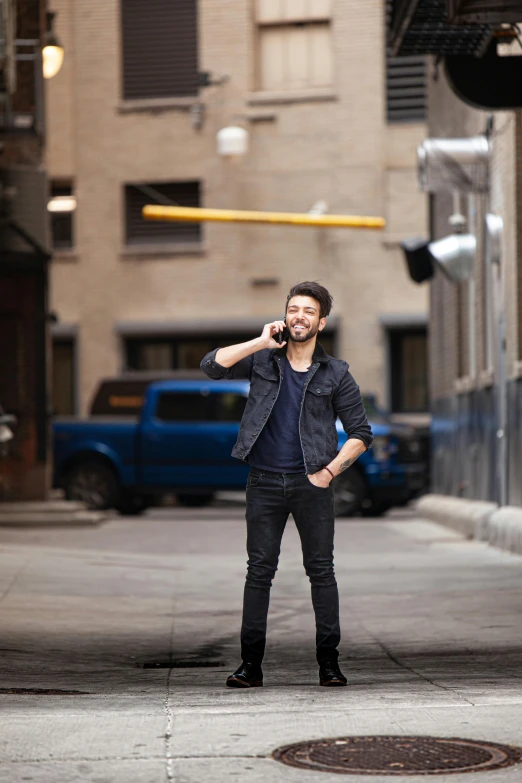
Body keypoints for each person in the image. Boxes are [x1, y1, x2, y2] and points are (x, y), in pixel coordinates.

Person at [201, 281, 373, 687]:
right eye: (294, 309)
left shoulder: (337, 373)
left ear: (321, 322)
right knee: (259, 572)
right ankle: (250, 666)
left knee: (321, 572)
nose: (300, 316)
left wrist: (328, 472)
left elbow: (361, 433)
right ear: (285, 315)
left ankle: (329, 663)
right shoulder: (264, 361)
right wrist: (260, 341)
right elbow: (212, 365)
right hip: (262, 481)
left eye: (309, 311)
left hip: (311, 484)